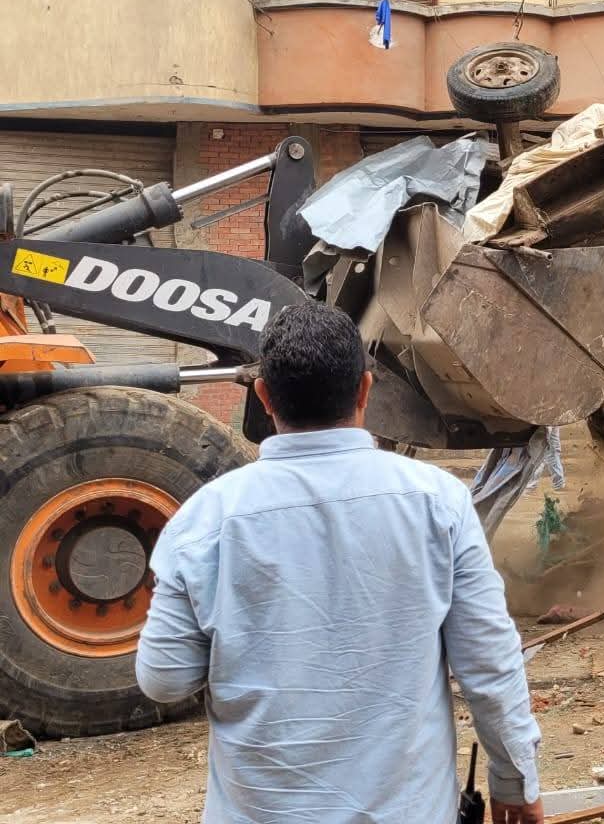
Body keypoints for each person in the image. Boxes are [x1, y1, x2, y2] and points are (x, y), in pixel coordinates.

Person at [136, 301, 542, 824]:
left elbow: (164, 679)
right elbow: (490, 663)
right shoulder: (438, 502)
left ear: (263, 395)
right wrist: (514, 782)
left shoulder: (204, 519)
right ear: (366, 390)